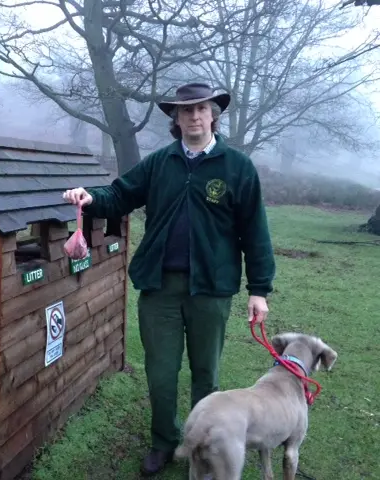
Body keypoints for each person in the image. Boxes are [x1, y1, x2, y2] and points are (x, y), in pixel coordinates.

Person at [62, 82, 276, 476]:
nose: (194, 116)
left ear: (213, 114)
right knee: (160, 371)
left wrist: (259, 290)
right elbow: (120, 194)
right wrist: (89, 198)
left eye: (202, 109)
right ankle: (163, 441)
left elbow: (255, 231)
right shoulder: (161, 163)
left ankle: (204, 444)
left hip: (211, 290)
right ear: (175, 120)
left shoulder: (237, 167)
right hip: (159, 287)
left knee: (205, 372)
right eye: (186, 111)